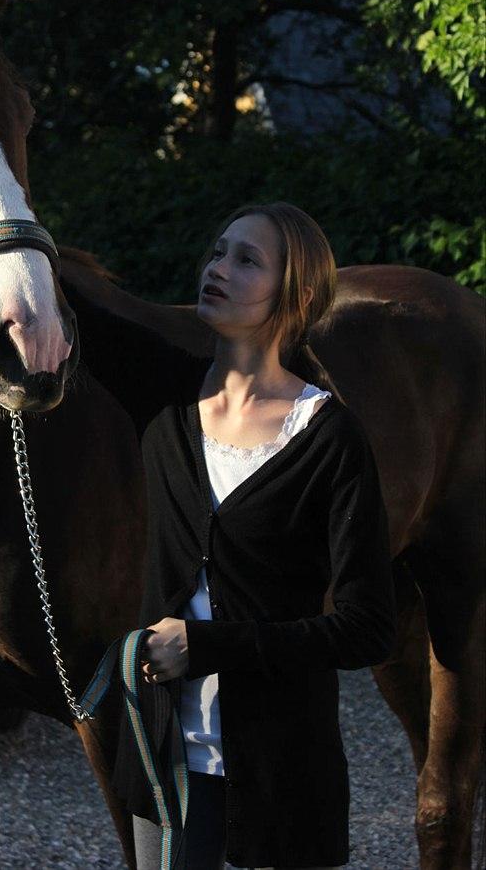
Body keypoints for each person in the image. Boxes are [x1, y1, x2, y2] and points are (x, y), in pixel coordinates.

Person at [61, 201, 396, 870]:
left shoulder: (330, 438)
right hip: (164, 762)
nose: (218, 268)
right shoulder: (163, 394)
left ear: (297, 295)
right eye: (218, 251)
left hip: (283, 772)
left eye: (247, 260)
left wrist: (209, 645)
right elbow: (55, 295)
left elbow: (367, 629)